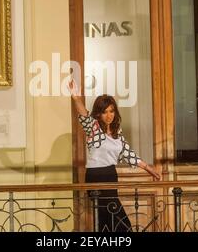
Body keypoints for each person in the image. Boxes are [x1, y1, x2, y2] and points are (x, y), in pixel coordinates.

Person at [68, 79, 161, 232]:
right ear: (98, 114)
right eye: (104, 112)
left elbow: (128, 153)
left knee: (106, 223)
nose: (109, 115)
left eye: (111, 111)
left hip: (111, 174)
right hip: (96, 176)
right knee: (120, 224)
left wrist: (149, 169)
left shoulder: (117, 132)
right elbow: (84, 115)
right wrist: (77, 99)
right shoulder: (94, 128)